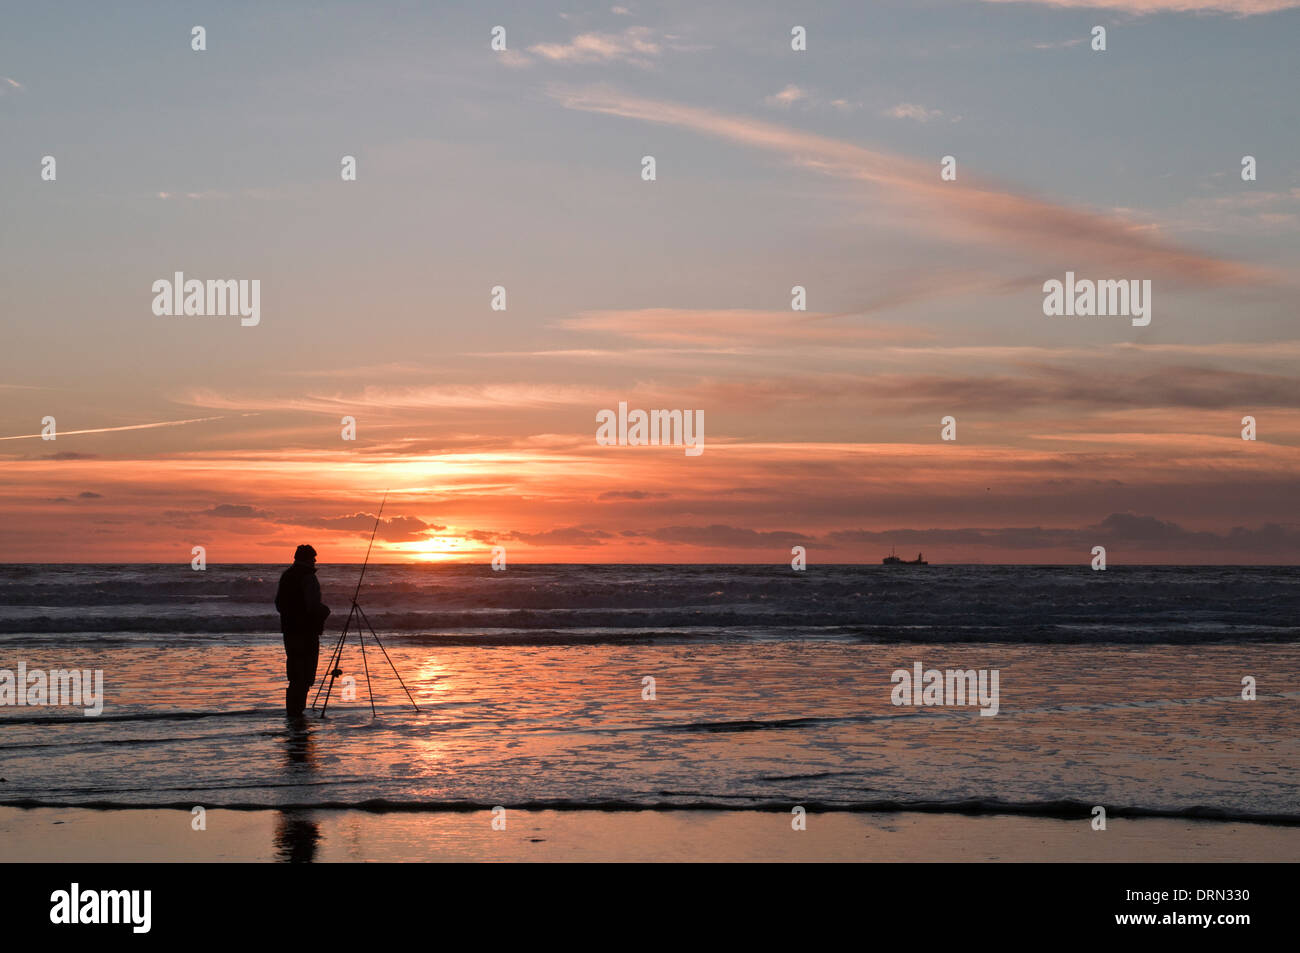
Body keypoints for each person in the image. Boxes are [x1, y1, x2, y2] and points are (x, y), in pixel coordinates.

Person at [275, 544, 330, 716]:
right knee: (305, 674)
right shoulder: (308, 577)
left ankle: (293, 712)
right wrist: (325, 611)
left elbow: (279, 604)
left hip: (289, 631)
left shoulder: (287, 576)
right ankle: (297, 712)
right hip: (307, 632)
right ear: (307, 559)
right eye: (313, 558)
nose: (315, 561)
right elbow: (313, 606)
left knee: (295, 673)